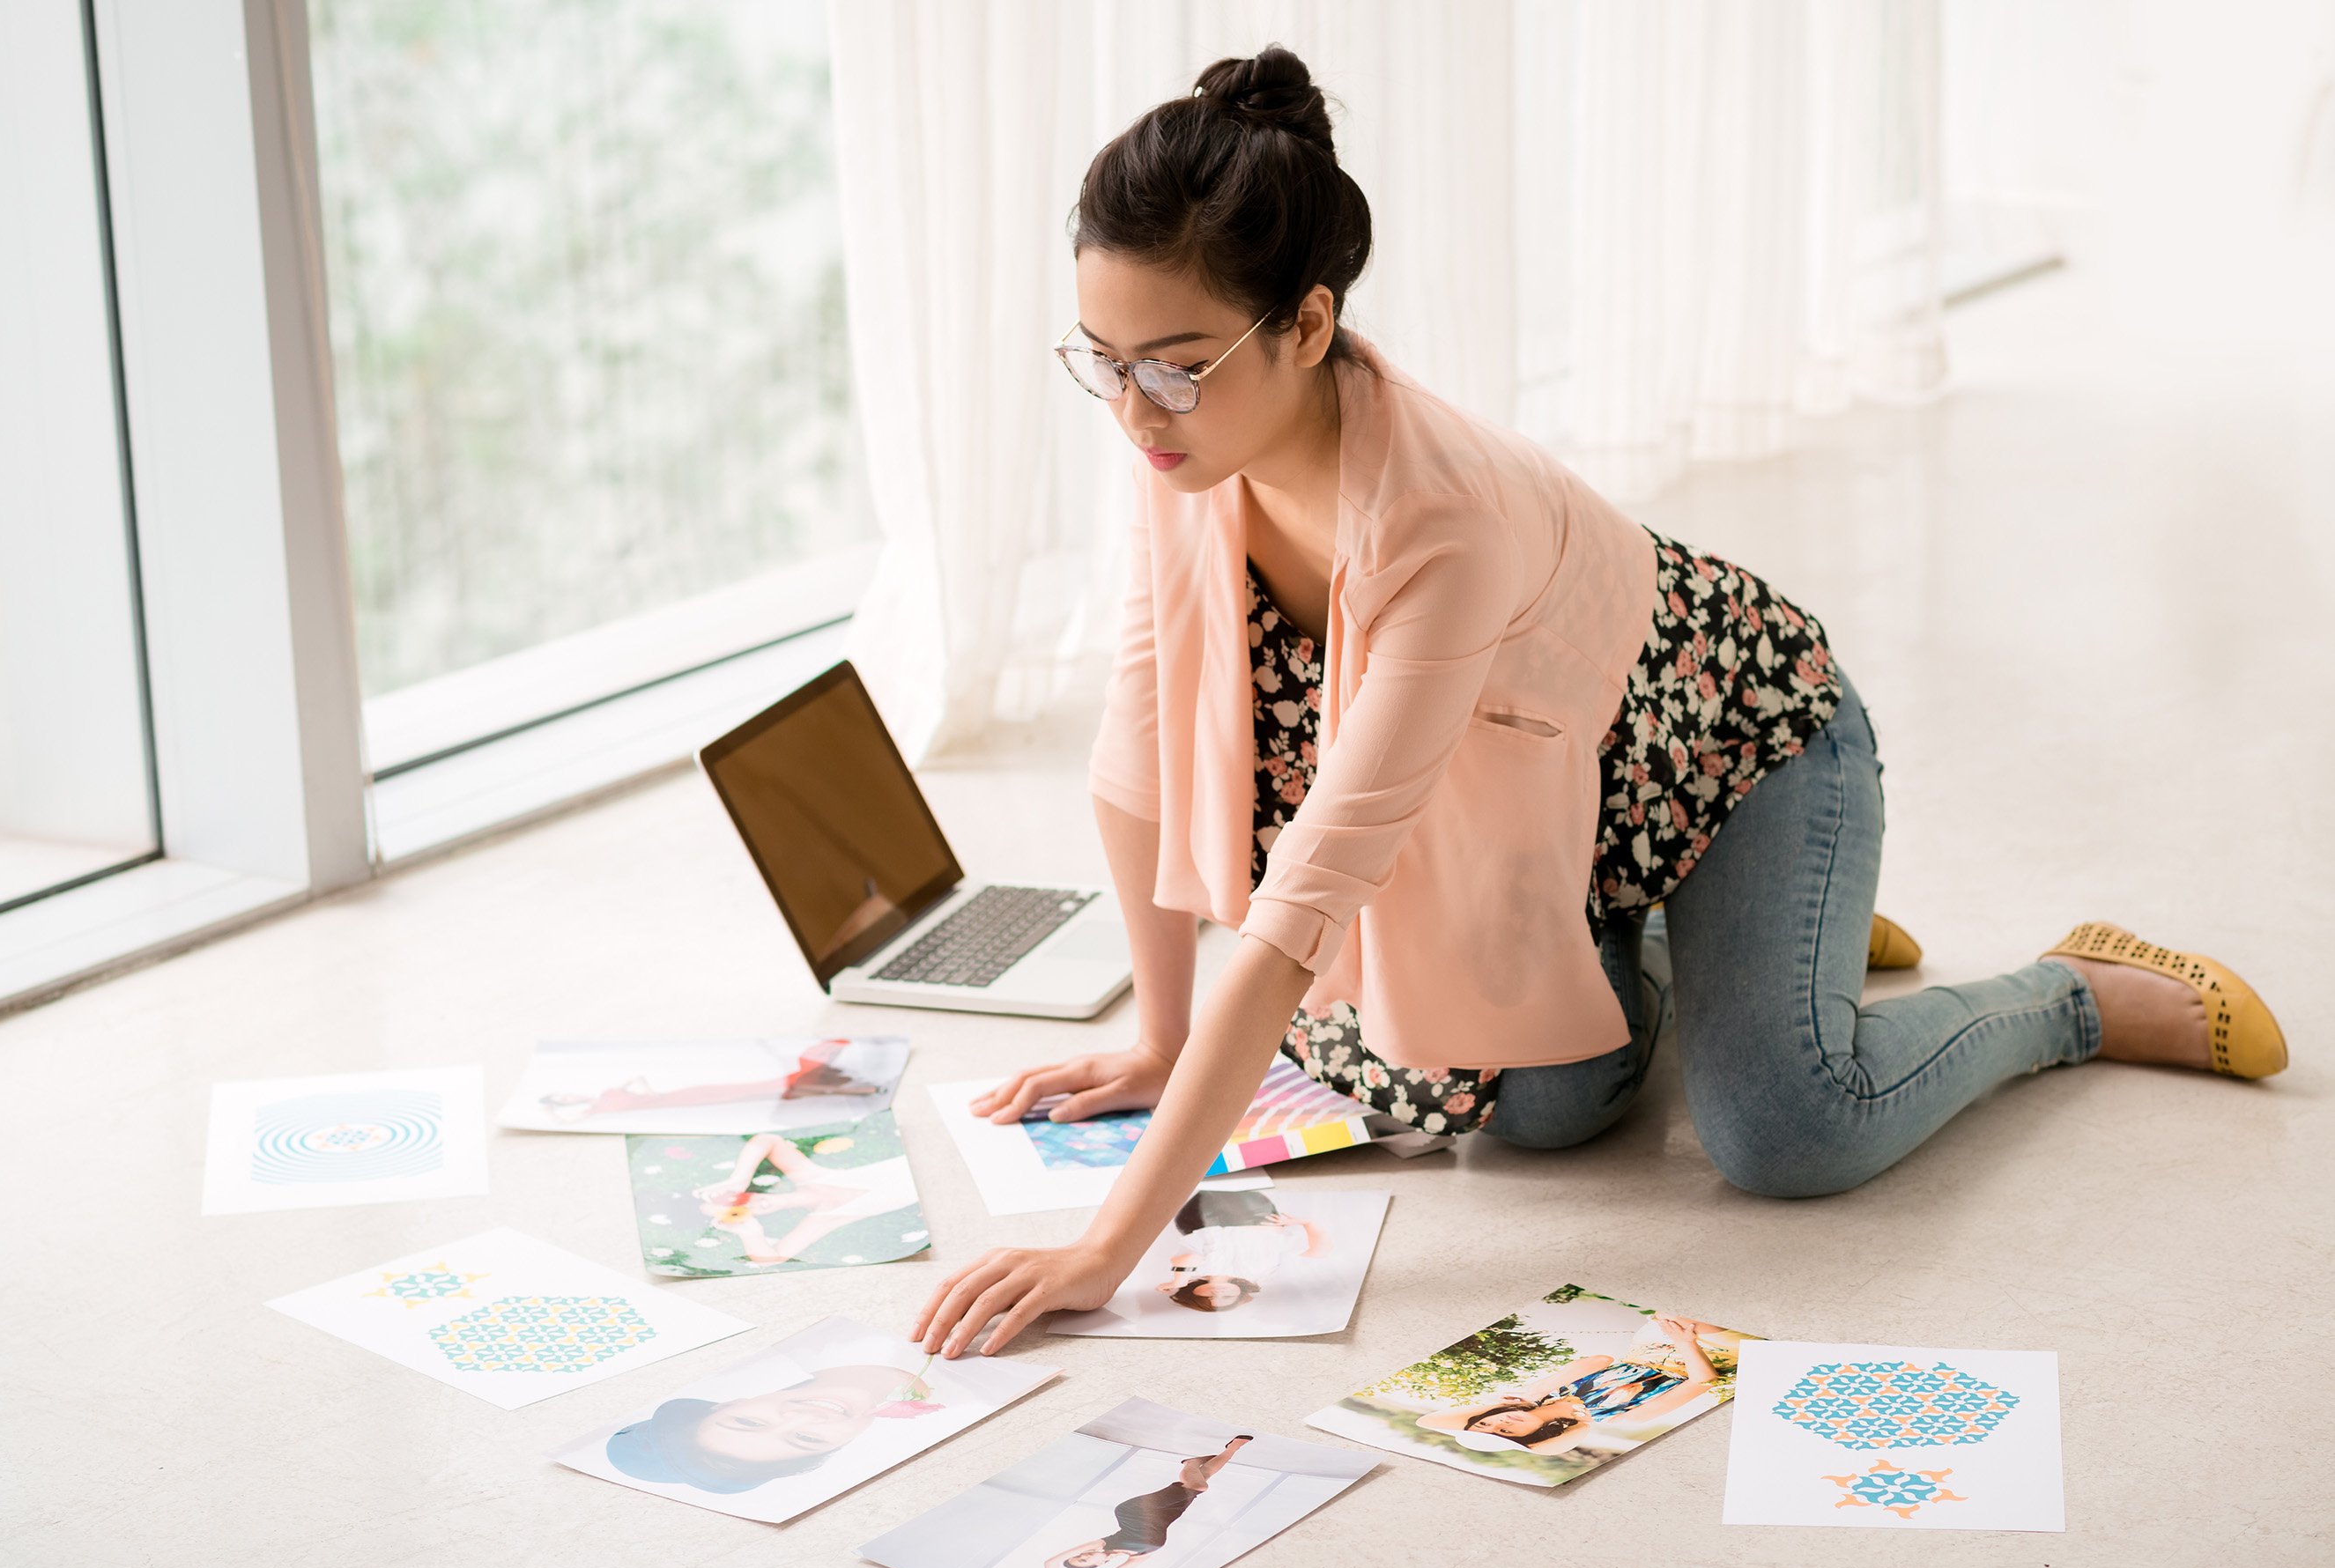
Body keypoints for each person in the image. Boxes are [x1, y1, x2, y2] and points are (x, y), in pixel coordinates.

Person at [913, 46, 2289, 1361]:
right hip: (1563, 813)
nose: (1133, 408)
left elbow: (1298, 918)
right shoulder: (1191, 446)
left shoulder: (1436, 520)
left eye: (1173, 362)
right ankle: (1737, 938)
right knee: (1547, 1110)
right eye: (1102, 358)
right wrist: (1156, 1040)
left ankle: (2070, 996)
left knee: (1788, 1133)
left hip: (1746, 746)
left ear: (1311, 322)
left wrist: (1108, 1249)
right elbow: (1137, 755)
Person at [1412, 1316, 1729, 1459]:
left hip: (1651, 1343)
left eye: (1485, 1422)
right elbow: (1704, 1380)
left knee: (1667, 1314)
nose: (1501, 1423)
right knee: (1682, 1317)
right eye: (1506, 1433)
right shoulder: (1620, 1417)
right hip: (1706, 1353)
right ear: (1534, 1435)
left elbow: (1600, 1359)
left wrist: (1536, 1390)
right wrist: (1684, 1343)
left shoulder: (1551, 1392)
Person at [604, 1361, 938, 1495]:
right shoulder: (947, 1413)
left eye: (748, 1422)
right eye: (806, 1439)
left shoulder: (813, 1348)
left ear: (730, 1403)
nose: (803, 1418)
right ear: (844, 1444)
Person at [1037, 1435, 1252, 1568]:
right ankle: (1232, 1448)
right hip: (1168, 1514)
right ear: (1097, 1564)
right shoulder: (1139, 1555)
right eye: (1085, 1560)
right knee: (1201, 1481)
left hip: (1134, 1511)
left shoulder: (1102, 1544)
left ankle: (1190, 1464)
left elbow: (1051, 1561)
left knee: (1198, 1485)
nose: (1085, 1554)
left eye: (1080, 1555)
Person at [694, 1131, 916, 1265]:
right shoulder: (823, 1218)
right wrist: (749, 1231)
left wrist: (738, 1179)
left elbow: (767, 1139)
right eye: (735, 1214)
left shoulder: (808, 1175)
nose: (747, 1206)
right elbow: (771, 1259)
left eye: (733, 1200)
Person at [540, 1039, 877, 1122]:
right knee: (753, 1096)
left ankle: (844, 1083)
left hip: (677, 1096)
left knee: (758, 1089)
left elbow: (636, 1078)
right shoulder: (595, 1110)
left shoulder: (604, 1095)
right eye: (563, 1099)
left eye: (565, 1096)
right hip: (678, 1106)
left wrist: (650, 1092)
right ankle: (844, 1085)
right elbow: (555, 1119)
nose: (569, 1098)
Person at [1153, 1190, 1324, 1312]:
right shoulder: (1262, 1273)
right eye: (1226, 1298)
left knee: (1217, 1185)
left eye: (1207, 1298)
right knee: (1244, 1187)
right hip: (1255, 1217)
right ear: (1239, 1296)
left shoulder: (1193, 1274)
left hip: (1202, 1219)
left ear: (1193, 1293)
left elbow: (1189, 1258)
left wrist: (1178, 1282)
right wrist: (1307, 1223)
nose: (1217, 1294)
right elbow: (1317, 1252)